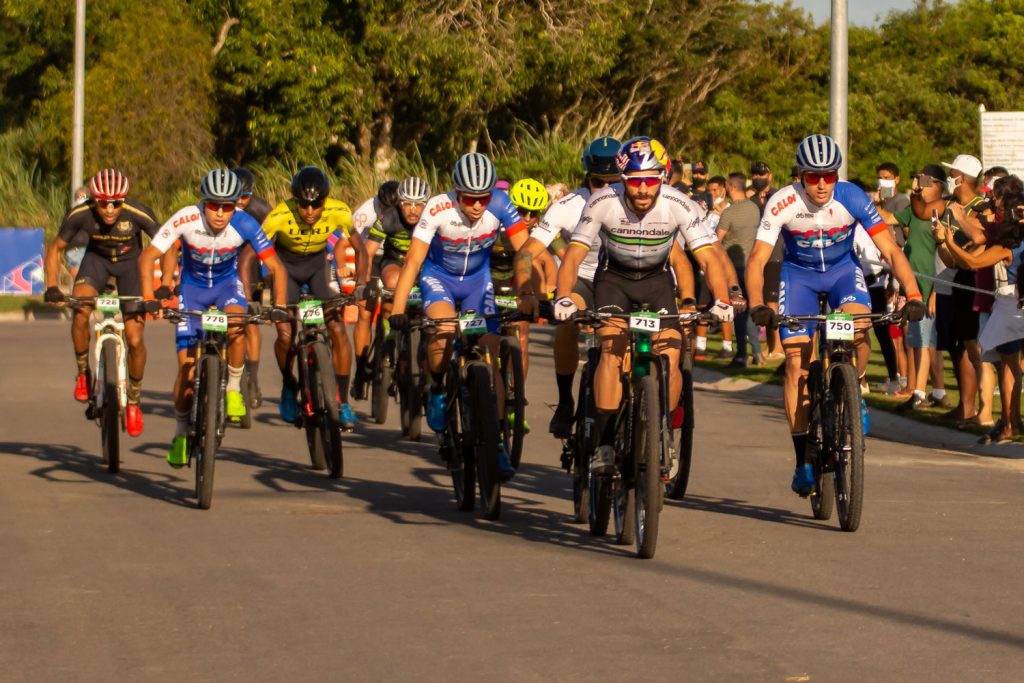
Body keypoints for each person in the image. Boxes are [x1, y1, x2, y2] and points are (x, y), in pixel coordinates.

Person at [746, 134, 924, 496]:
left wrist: (914, 293)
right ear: (800, 175)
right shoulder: (783, 202)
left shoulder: (852, 196)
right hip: (799, 278)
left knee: (859, 326)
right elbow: (757, 259)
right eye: (814, 177)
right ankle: (803, 461)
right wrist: (756, 304)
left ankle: (854, 387)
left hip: (844, 272)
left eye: (829, 175)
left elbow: (889, 249)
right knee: (797, 363)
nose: (823, 183)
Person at [553, 136, 735, 475]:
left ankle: (660, 430)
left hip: (655, 283)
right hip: (614, 282)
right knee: (611, 347)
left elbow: (708, 258)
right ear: (623, 181)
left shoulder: (679, 204)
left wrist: (722, 299)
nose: (642, 191)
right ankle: (605, 444)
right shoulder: (602, 202)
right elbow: (575, 254)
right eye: (635, 183)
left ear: (662, 178)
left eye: (650, 181)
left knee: (672, 351)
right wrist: (563, 295)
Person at [388, 152, 528, 480]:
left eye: (483, 197)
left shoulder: (501, 205)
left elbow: (526, 250)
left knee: (491, 350)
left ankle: (494, 443)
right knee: (444, 329)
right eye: (469, 198)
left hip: (479, 281)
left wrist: (529, 291)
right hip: (440, 279)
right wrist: (396, 309)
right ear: (456, 192)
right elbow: (412, 261)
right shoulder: (437, 208)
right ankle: (436, 387)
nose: (478, 205)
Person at [138, 169, 288, 467]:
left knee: (238, 322)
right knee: (186, 373)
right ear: (203, 202)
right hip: (192, 291)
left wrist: (280, 305)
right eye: (214, 205)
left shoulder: (244, 223)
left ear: (236, 205)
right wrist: (148, 299)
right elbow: (147, 257)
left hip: (226, 287)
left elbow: (276, 267)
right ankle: (181, 433)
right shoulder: (185, 218)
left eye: (227, 206)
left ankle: (233, 386)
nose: (220, 214)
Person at [43, 168, 175, 437]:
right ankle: (83, 373)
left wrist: (164, 286)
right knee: (81, 309)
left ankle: (135, 401)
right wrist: (52, 286)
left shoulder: (137, 213)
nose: (111, 208)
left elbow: (169, 245)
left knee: (136, 340)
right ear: (94, 200)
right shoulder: (81, 215)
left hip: (131, 267)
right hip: (96, 263)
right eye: (104, 202)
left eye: (117, 201)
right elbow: (55, 247)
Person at [512, 136, 622, 437]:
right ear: (587, 177)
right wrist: (525, 290)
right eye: (599, 182)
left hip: (622, 280)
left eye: (615, 181)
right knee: (568, 319)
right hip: (583, 280)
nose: (608, 189)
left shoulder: (637, 202)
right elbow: (526, 252)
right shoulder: (568, 206)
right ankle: (564, 401)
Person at [249, 166, 365, 430]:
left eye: (316, 205)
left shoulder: (340, 211)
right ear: (295, 201)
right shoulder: (279, 215)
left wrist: (361, 283)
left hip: (317, 268)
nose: (310, 211)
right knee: (286, 335)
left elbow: (361, 250)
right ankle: (290, 385)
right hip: (285, 270)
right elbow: (251, 254)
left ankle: (343, 402)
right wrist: (255, 290)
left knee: (337, 327)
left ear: (325, 200)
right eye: (304, 205)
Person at [935, 184, 1024, 442]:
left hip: (1010, 306)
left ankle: (1011, 422)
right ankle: (1010, 421)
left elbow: (971, 263)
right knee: (1007, 368)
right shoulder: (1010, 243)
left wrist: (949, 240)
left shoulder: (1007, 247)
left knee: (1008, 368)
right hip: (1010, 306)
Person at [351, 176, 431, 400]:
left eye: (418, 204)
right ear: (399, 203)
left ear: (427, 204)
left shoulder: (433, 218)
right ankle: (386, 337)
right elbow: (367, 251)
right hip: (393, 262)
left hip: (424, 265)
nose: (413, 210)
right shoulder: (389, 216)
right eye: (407, 204)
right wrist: (361, 282)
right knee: (392, 286)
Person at [895, 165, 948, 412]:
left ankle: (918, 393)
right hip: (914, 284)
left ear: (938, 184)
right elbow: (886, 219)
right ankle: (939, 391)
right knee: (923, 340)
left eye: (925, 180)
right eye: (918, 179)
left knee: (924, 341)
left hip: (929, 285)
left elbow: (941, 253)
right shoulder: (914, 211)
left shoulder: (943, 210)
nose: (920, 184)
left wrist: (936, 289)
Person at [231, 167, 273, 408]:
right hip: (223, 263)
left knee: (251, 321)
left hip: (252, 264)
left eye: (245, 196)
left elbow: (270, 247)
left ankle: (253, 379)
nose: (239, 201)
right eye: (237, 195)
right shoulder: (217, 207)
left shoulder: (262, 210)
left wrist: (267, 277)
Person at [716, 172, 763, 367]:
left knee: (739, 313)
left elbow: (716, 240)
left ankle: (742, 354)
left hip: (734, 269)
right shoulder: (754, 208)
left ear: (730, 186)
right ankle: (757, 352)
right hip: (753, 266)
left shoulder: (728, 213)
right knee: (752, 309)